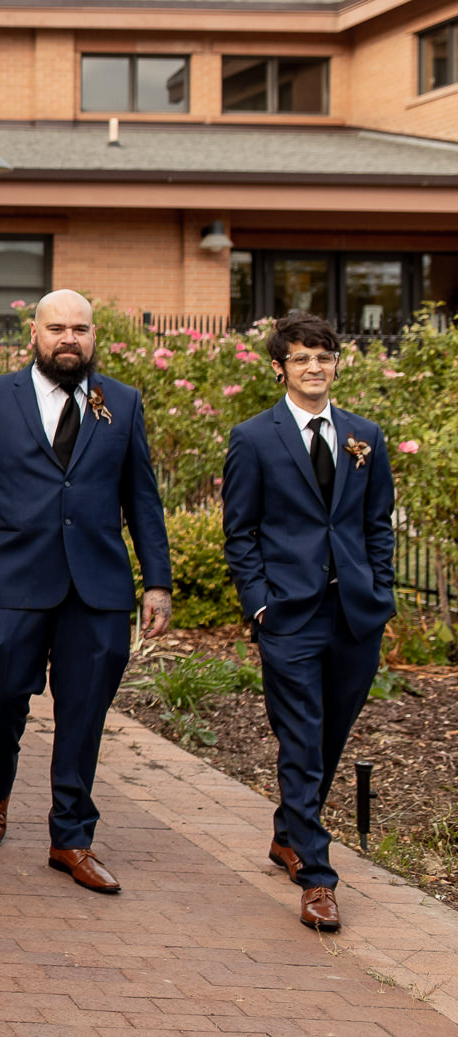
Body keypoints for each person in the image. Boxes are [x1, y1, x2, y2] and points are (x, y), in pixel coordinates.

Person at [0, 289, 172, 893]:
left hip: (97, 589)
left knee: (84, 714)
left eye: (81, 329)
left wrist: (158, 582)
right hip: (13, 582)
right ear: (34, 335)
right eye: (58, 328)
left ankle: (71, 837)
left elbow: (142, 499)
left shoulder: (122, 402)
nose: (70, 339)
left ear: (94, 337)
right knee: (5, 695)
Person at [222, 313, 395, 933]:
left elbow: (378, 525)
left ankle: (286, 836)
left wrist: (380, 589)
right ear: (280, 367)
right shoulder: (253, 437)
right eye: (301, 358)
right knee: (300, 737)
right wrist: (260, 603)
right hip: (288, 616)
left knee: (329, 739)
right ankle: (318, 879)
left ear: (336, 363)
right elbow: (239, 531)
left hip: (354, 615)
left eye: (323, 357)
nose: (314, 367)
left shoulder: (364, 436)